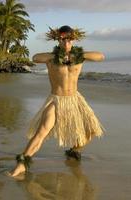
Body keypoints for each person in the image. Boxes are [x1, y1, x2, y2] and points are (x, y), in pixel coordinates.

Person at [8, 25, 105, 177]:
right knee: (42, 131)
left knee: (92, 131)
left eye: (69, 39)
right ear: (58, 40)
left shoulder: (79, 57)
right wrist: (56, 56)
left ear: (73, 39)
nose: (66, 42)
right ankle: (22, 164)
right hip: (56, 100)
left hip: (75, 100)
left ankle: (74, 150)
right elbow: (35, 58)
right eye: (62, 39)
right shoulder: (51, 59)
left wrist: (76, 55)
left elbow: (100, 56)